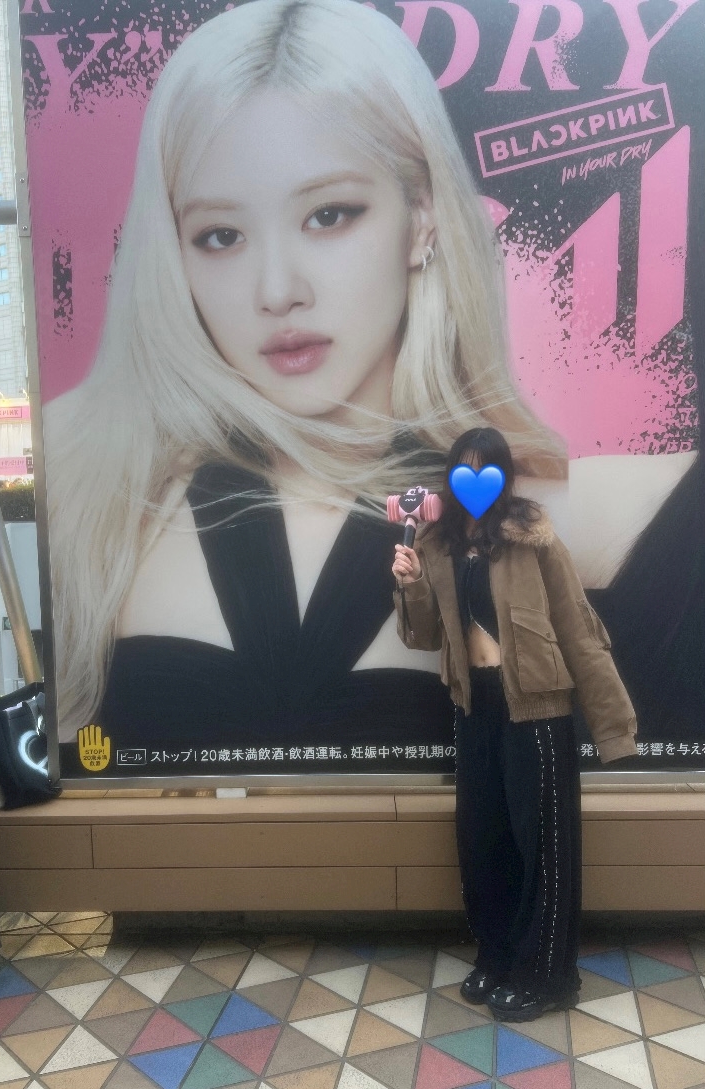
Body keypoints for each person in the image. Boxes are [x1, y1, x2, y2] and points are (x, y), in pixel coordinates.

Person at [45, 0, 566, 745]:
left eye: (328, 215)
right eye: (221, 235)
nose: (277, 290)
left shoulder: (534, 509)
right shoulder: (93, 482)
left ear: (421, 218)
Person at [392, 427, 637, 1022]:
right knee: (483, 839)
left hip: (537, 708)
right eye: (464, 469)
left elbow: (578, 629)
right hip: (473, 705)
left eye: (487, 469)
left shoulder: (532, 538)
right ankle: (498, 957)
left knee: (543, 848)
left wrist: (614, 726)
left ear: (504, 477)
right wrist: (411, 583)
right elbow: (423, 636)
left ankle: (549, 977)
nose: (474, 481)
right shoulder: (437, 543)